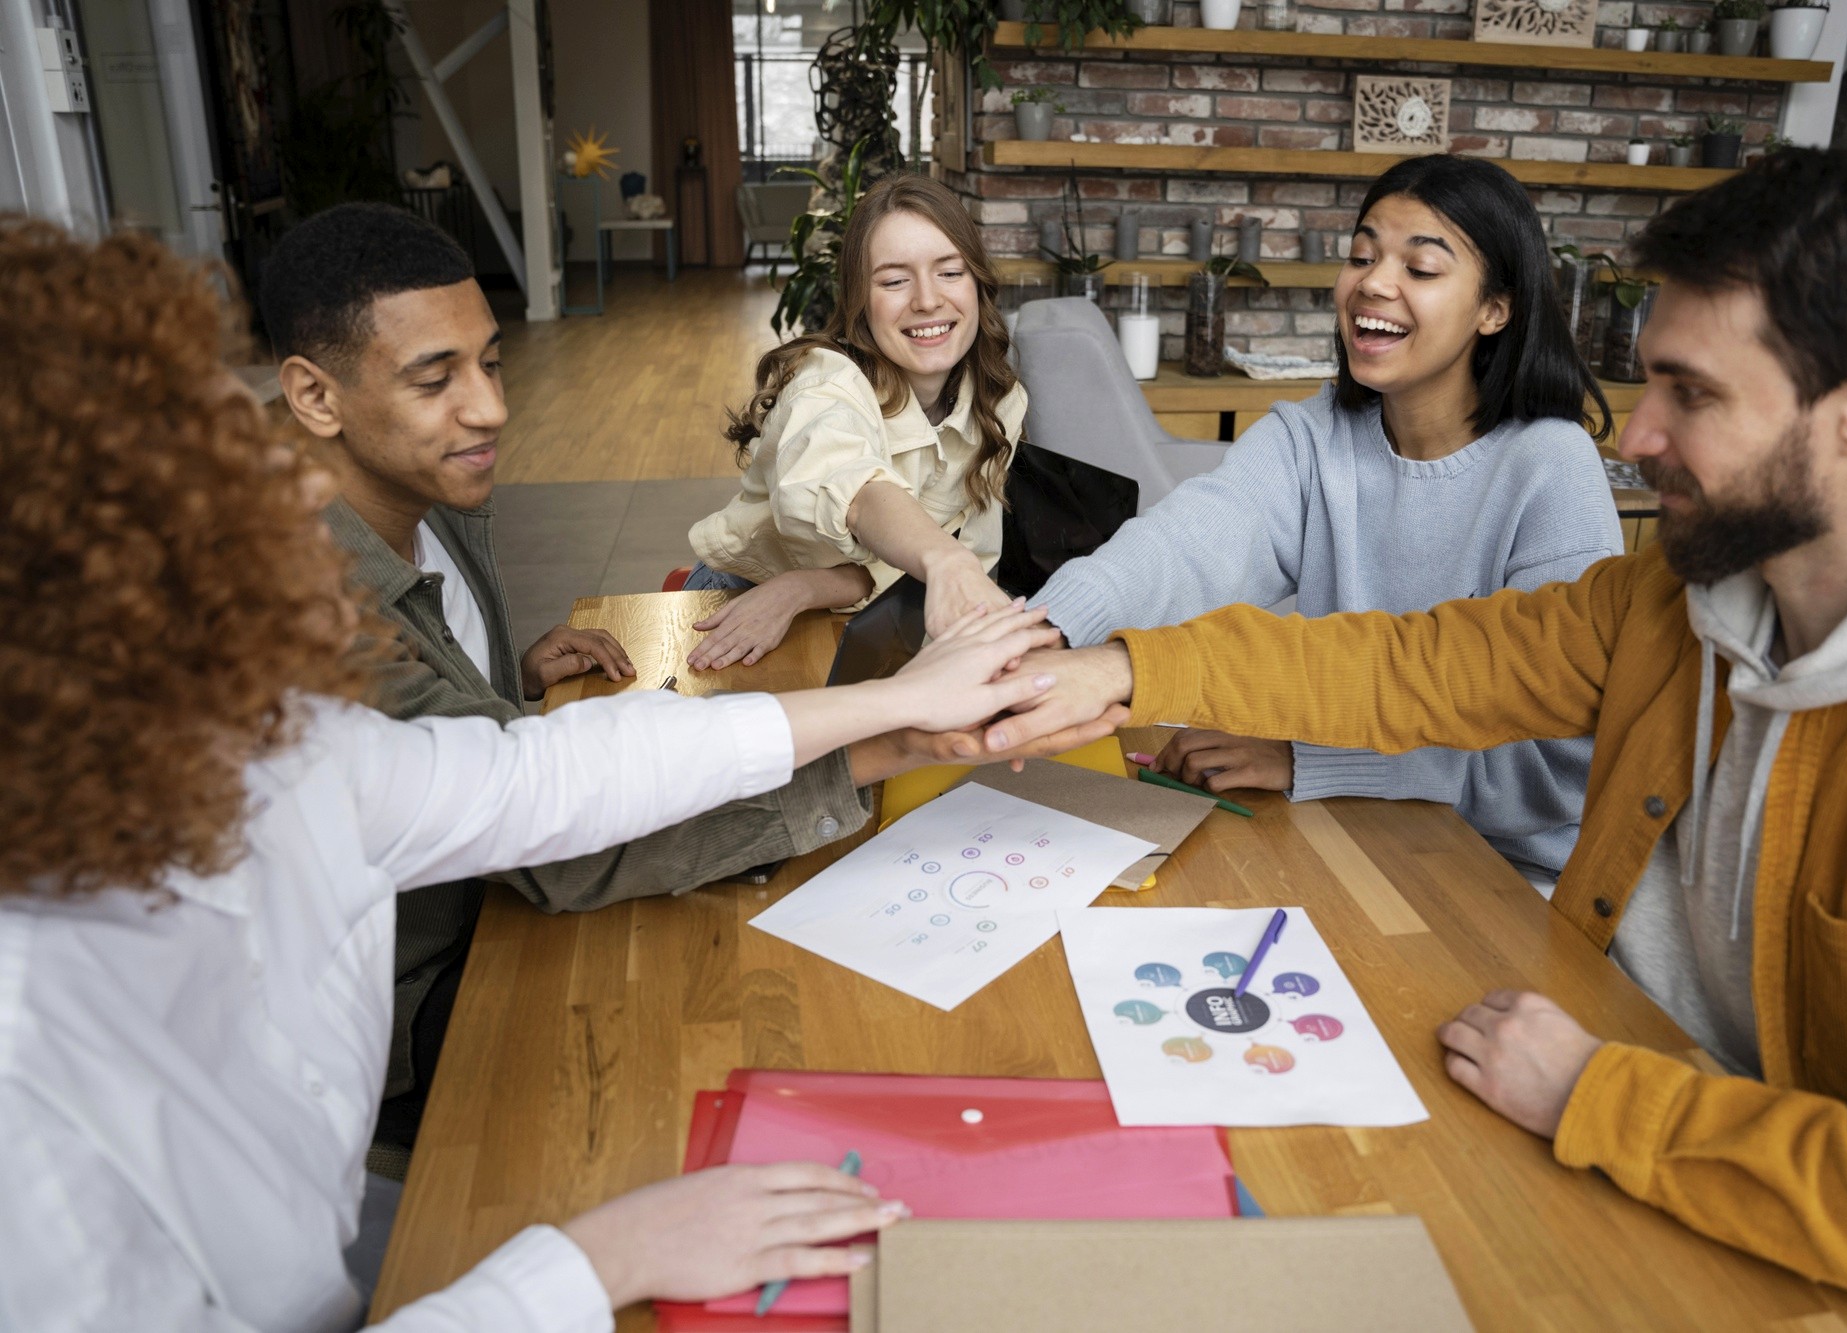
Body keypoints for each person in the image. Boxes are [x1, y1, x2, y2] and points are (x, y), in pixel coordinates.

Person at [988, 149, 1847, 1328]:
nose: (1636, 438)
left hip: (1762, 1207)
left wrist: (1595, 1092)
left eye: (1692, 395)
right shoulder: (1674, 597)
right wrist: (1117, 663)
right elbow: (1416, 661)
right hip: (1596, 1052)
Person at [0, 218, 1065, 1329]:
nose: (294, 505)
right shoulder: (32, 1089)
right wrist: (589, 1261)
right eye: (225, 487)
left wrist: (893, 716)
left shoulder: (272, 742)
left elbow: (535, 774)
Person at [261, 203, 1063, 1146]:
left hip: (494, 897)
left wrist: (495, 683)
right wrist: (891, 723)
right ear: (314, 397)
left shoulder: (429, 506)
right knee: (735, 1044)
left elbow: (429, 752)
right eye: (435, 379)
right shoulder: (300, 610)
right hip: (414, 993)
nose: (490, 407)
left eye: (491, 364)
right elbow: (543, 828)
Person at [1032, 155, 1623, 885]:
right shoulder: (1313, 435)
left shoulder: (1551, 464)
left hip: (1500, 873)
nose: (1373, 282)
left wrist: (1308, 756)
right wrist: (1043, 633)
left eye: (1423, 267)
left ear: (1495, 308)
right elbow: (1184, 546)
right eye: (1362, 255)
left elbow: (1560, 765)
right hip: (1341, 824)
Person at [684, 172, 1027, 669]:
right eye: (894, 280)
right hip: (743, 605)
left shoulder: (1001, 401)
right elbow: (859, 494)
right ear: (859, 300)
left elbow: (974, 560)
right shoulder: (825, 385)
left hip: (869, 614)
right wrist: (945, 562)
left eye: (950, 272)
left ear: (978, 283)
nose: (927, 299)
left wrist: (813, 587)